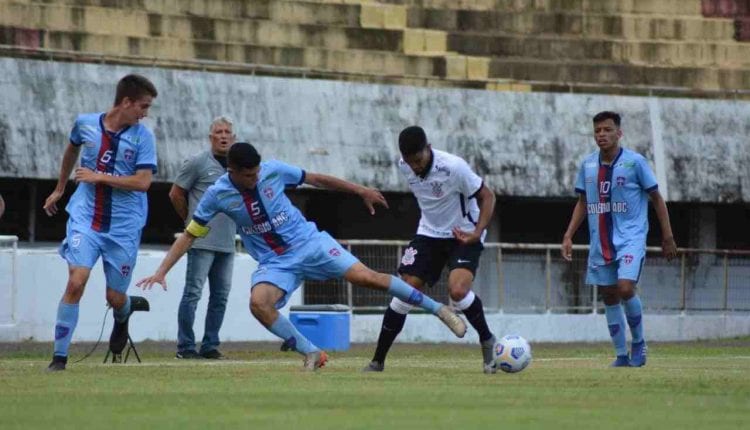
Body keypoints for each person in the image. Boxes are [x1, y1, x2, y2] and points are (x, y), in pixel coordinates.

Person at [137, 142, 467, 371]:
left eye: (257, 173)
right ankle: (311, 352)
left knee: (368, 278)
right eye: (248, 175)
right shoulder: (216, 195)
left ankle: (440, 311)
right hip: (275, 262)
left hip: (309, 242)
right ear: (233, 171)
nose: (255, 178)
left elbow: (316, 179)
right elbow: (192, 233)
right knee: (258, 303)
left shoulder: (273, 171)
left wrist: (359, 190)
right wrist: (163, 269)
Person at [42, 74, 158, 371]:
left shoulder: (143, 138)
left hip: (124, 226)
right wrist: (59, 188)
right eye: (143, 107)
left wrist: (100, 176)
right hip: (86, 218)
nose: (145, 114)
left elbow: (144, 183)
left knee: (115, 296)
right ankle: (59, 359)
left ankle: (124, 313)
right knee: (76, 280)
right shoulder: (85, 124)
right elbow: (71, 149)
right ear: (126, 102)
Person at [363, 126, 498, 374]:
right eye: (409, 161)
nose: (414, 166)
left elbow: (488, 197)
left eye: (418, 160)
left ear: (429, 148)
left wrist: (477, 233)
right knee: (404, 291)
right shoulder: (404, 165)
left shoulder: (454, 167)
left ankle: (487, 340)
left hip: (463, 234)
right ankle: (377, 361)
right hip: (428, 234)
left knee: (457, 291)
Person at [561, 111, 677, 368]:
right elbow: (583, 201)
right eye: (597, 130)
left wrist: (667, 236)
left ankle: (638, 342)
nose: (601, 134)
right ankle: (621, 355)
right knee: (609, 295)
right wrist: (568, 234)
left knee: (625, 288)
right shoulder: (588, 165)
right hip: (600, 241)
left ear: (619, 133)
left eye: (607, 130)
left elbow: (656, 198)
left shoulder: (635, 163)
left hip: (631, 238)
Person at [169, 116, 236, 360]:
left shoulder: (237, 167)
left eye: (227, 132)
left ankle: (210, 346)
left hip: (228, 242)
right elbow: (175, 193)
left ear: (234, 138)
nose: (223, 135)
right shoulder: (198, 162)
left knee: (220, 296)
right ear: (211, 137)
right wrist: (189, 220)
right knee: (193, 293)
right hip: (201, 241)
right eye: (218, 131)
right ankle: (185, 347)